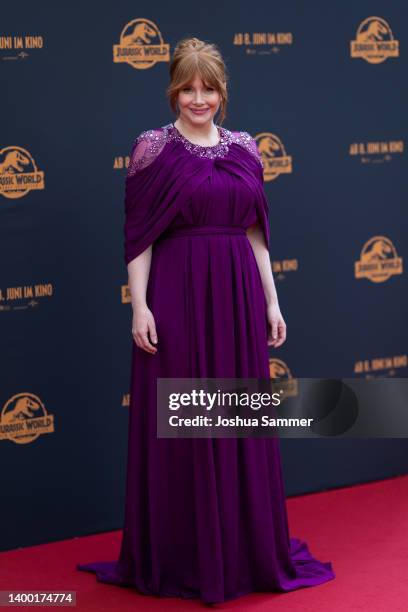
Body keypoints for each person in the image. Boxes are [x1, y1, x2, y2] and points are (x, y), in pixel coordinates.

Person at [77, 37, 335, 605]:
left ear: (222, 92)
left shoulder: (246, 148)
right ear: (173, 90)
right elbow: (138, 238)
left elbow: (256, 235)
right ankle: (183, 553)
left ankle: (242, 551)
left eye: (209, 88)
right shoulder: (151, 149)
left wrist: (272, 302)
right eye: (188, 88)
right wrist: (139, 305)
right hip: (176, 297)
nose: (199, 99)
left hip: (238, 297)